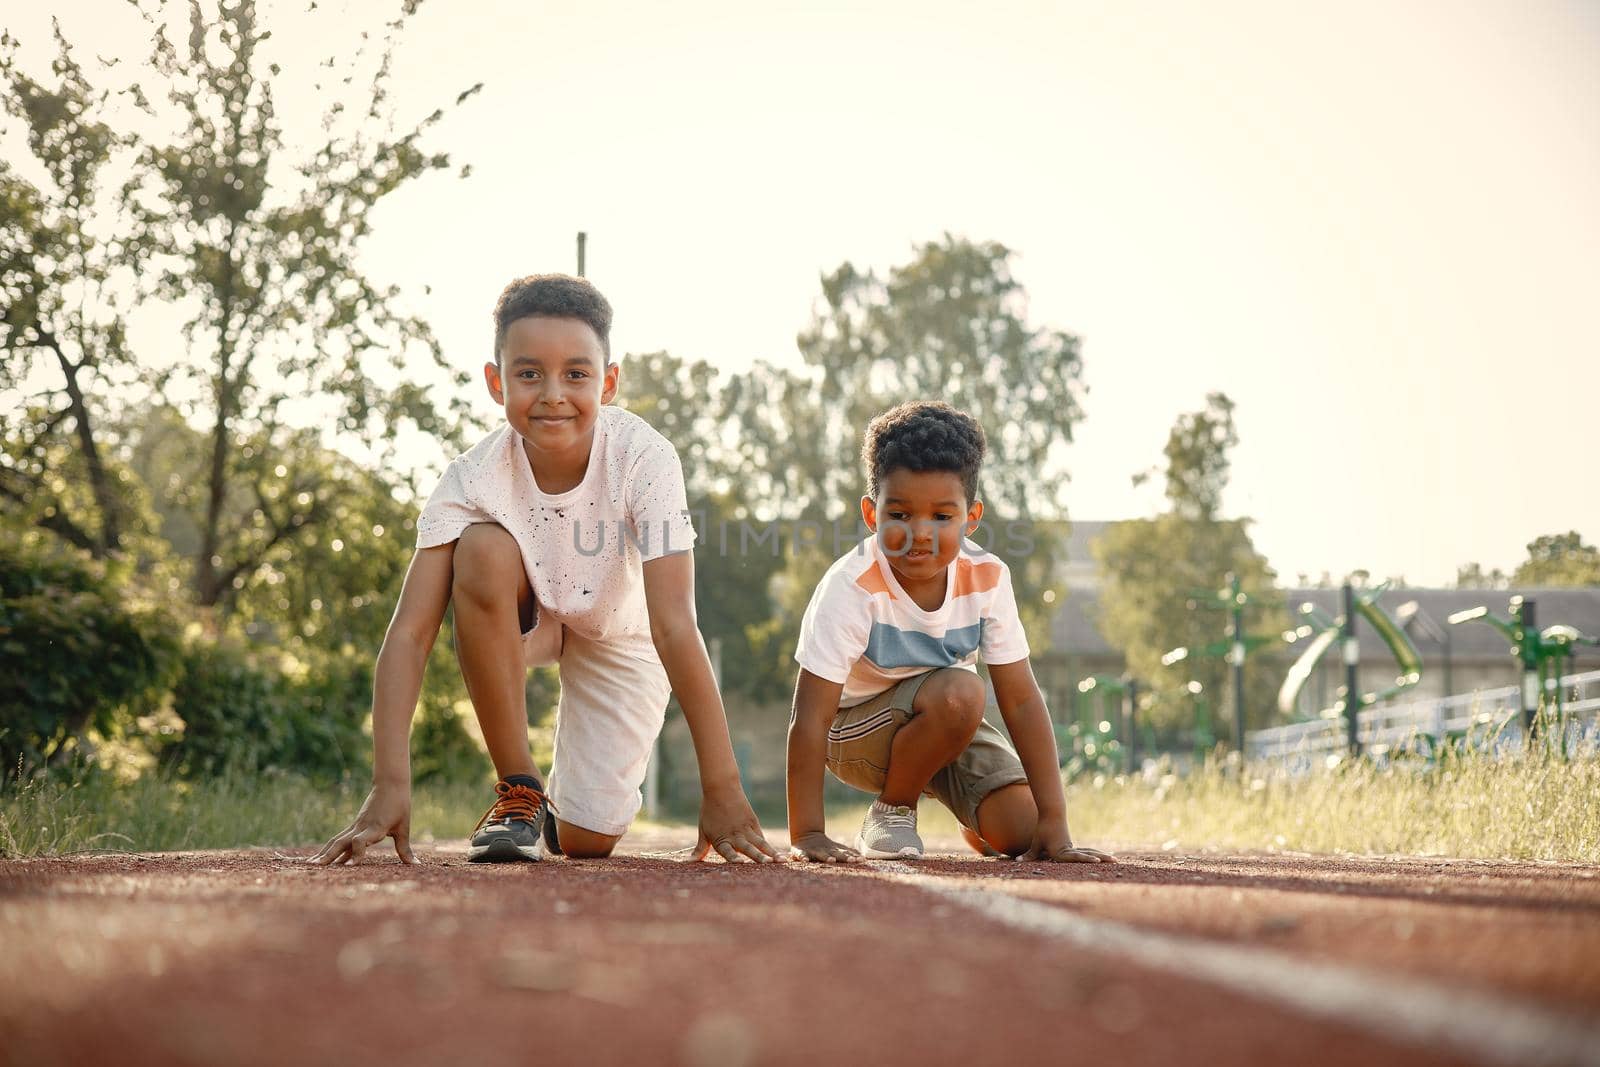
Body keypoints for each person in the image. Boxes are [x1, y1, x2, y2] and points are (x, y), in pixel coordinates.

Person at [313, 274, 779, 865]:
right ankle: (521, 790)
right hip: (531, 618)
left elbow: (675, 624)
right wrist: (389, 785)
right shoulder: (471, 479)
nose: (553, 393)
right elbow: (409, 633)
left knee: (588, 844)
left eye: (576, 374)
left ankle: (565, 815)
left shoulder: (645, 457)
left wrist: (723, 788)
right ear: (495, 381)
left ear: (609, 383)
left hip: (621, 631)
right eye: (529, 374)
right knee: (480, 548)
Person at [786, 401, 1114, 864]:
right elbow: (811, 715)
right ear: (872, 514)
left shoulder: (988, 577)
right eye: (899, 515)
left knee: (1024, 831)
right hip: (854, 736)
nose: (920, 533)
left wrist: (1056, 825)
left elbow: (1021, 699)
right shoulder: (852, 587)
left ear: (971, 517)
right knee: (961, 690)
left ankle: (977, 825)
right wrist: (807, 833)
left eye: (942, 517)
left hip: (945, 723)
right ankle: (892, 811)